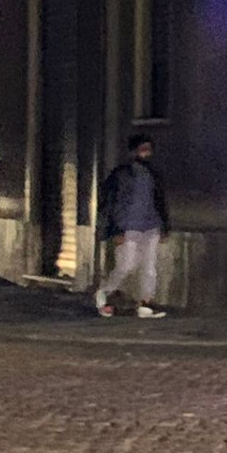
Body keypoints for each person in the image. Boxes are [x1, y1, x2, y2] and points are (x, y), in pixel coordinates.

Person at [93, 134, 171, 319]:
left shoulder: (154, 174)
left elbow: (160, 201)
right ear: (133, 151)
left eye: (148, 149)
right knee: (127, 264)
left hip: (151, 225)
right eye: (142, 148)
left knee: (149, 267)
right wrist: (114, 230)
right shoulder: (121, 174)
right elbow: (110, 202)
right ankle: (104, 292)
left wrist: (165, 227)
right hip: (128, 226)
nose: (146, 153)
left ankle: (146, 303)